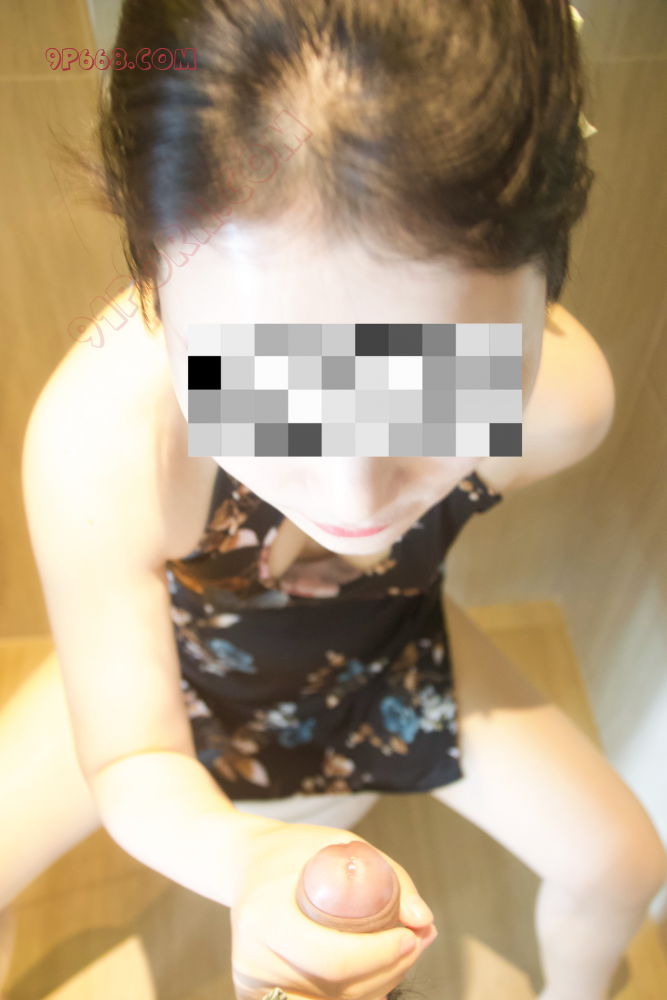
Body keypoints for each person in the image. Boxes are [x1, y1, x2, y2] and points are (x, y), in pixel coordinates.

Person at [3, 2, 665, 1000]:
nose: (357, 497)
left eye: (440, 398)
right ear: (153, 291)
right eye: (263, 397)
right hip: (179, 668)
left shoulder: (561, 409)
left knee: (624, 862)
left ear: (546, 297)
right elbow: (133, 749)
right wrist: (245, 861)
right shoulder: (104, 445)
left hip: (380, 653)